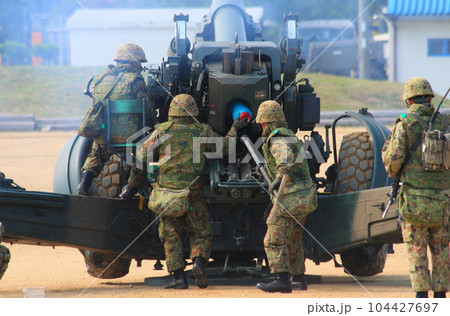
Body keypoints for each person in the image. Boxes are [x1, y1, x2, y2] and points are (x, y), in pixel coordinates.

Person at [120, 94, 248, 289]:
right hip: (193, 193)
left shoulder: (161, 132)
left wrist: (133, 184)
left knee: (170, 234)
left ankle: (179, 278)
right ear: (194, 111)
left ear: (172, 111)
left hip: (168, 194)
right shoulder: (201, 131)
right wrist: (234, 128)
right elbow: (226, 147)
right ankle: (198, 262)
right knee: (201, 231)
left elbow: (140, 157)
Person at [381, 77, 449, 298]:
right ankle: (440, 296)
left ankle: (421, 296)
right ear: (430, 97)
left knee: (416, 247)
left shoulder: (406, 124)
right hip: (443, 200)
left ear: (408, 101)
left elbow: (393, 163)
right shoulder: (446, 123)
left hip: (414, 200)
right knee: (441, 248)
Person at [254, 100, 318, 293]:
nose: (261, 127)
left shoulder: (277, 139)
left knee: (272, 240)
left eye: (262, 123)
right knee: (293, 239)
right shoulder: (289, 135)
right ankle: (298, 278)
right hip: (303, 198)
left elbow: (286, 161)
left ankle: (281, 280)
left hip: (289, 199)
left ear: (266, 122)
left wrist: (278, 178)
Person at [77, 43, 156, 195]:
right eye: (139, 63)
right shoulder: (136, 80)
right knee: (145, 152)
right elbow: (147, 109)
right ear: (133, 62)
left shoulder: (99, 79)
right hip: (132, 137)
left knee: (96, 153)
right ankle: (134, 189)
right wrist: (154, 126)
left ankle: (83, 184)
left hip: (105, 136)